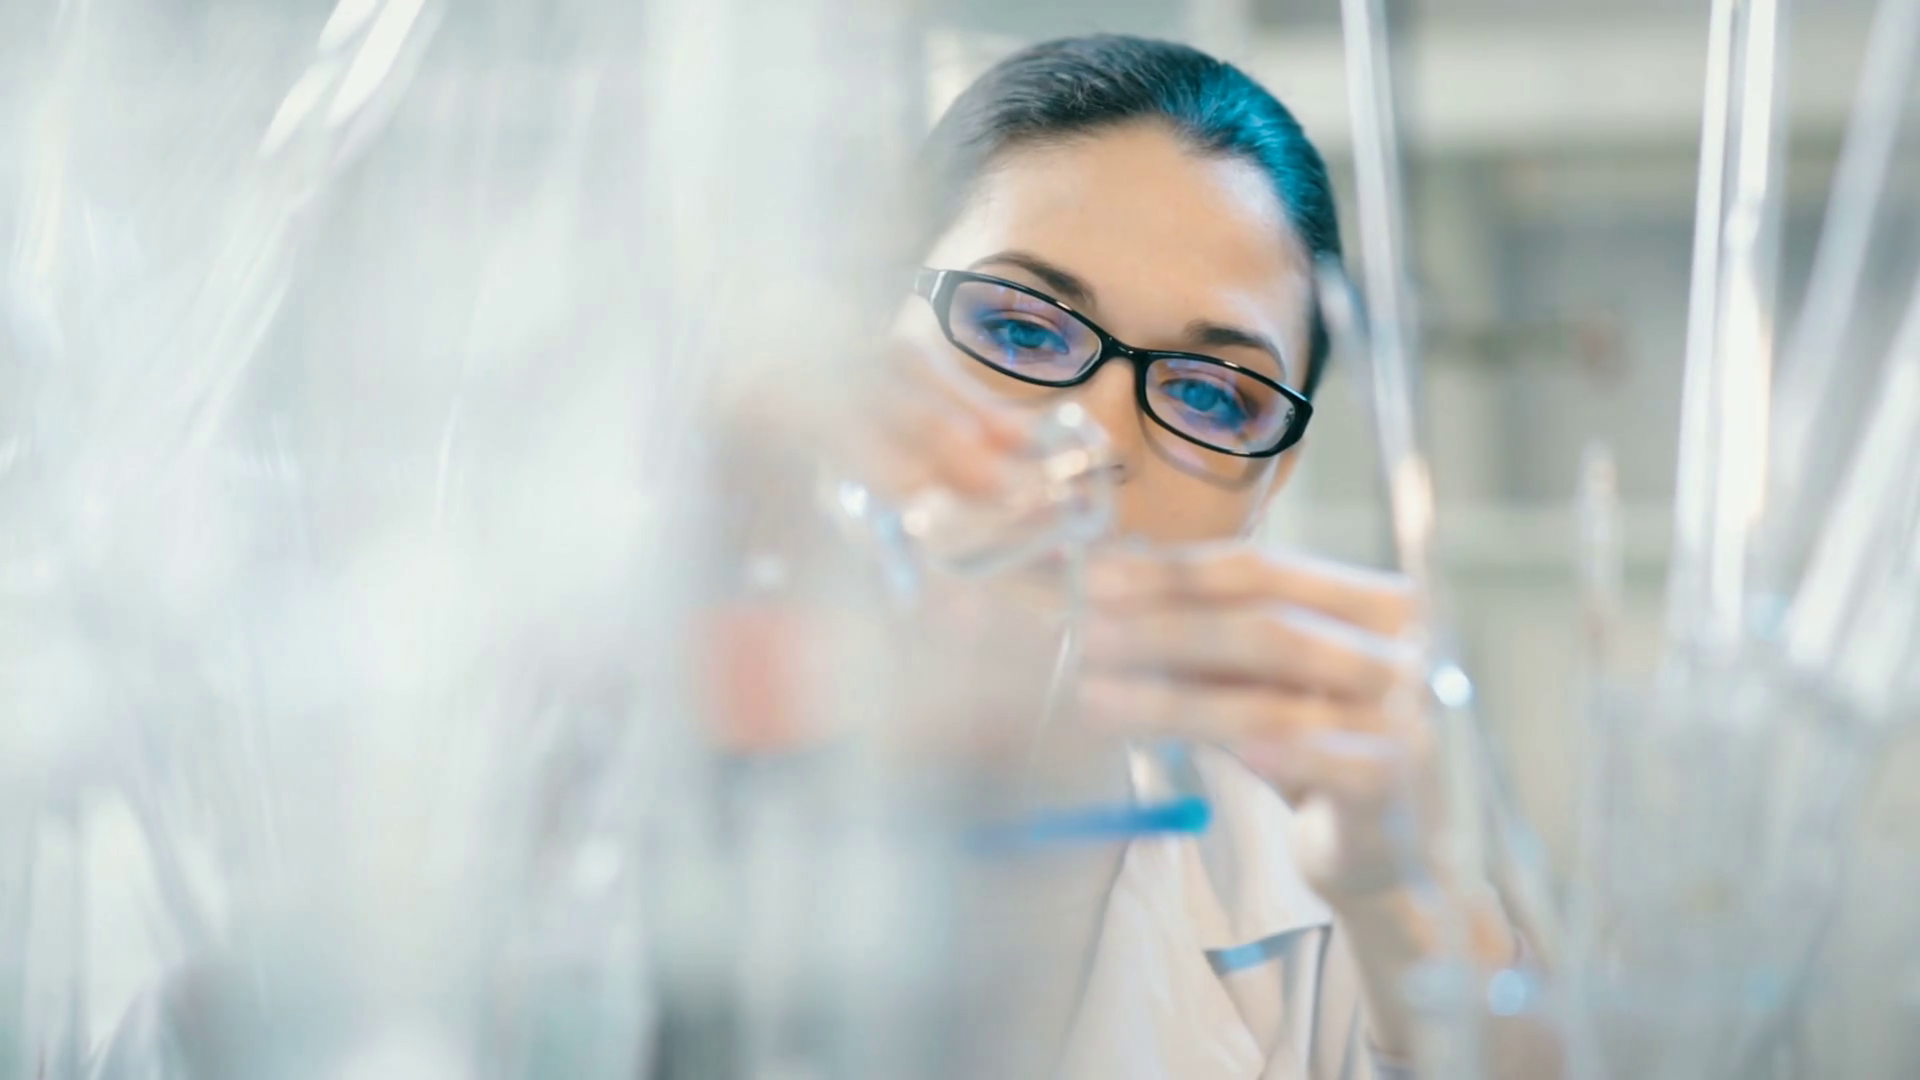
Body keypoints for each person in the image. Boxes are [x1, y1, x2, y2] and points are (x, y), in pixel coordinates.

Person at [859, 34, 1551, 1079]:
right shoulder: (643, 734)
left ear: (1271, 481)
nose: (1095, 440)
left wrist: (1412, 909)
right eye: (1023, 330)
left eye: (1204, 393)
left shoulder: (1322, 918)